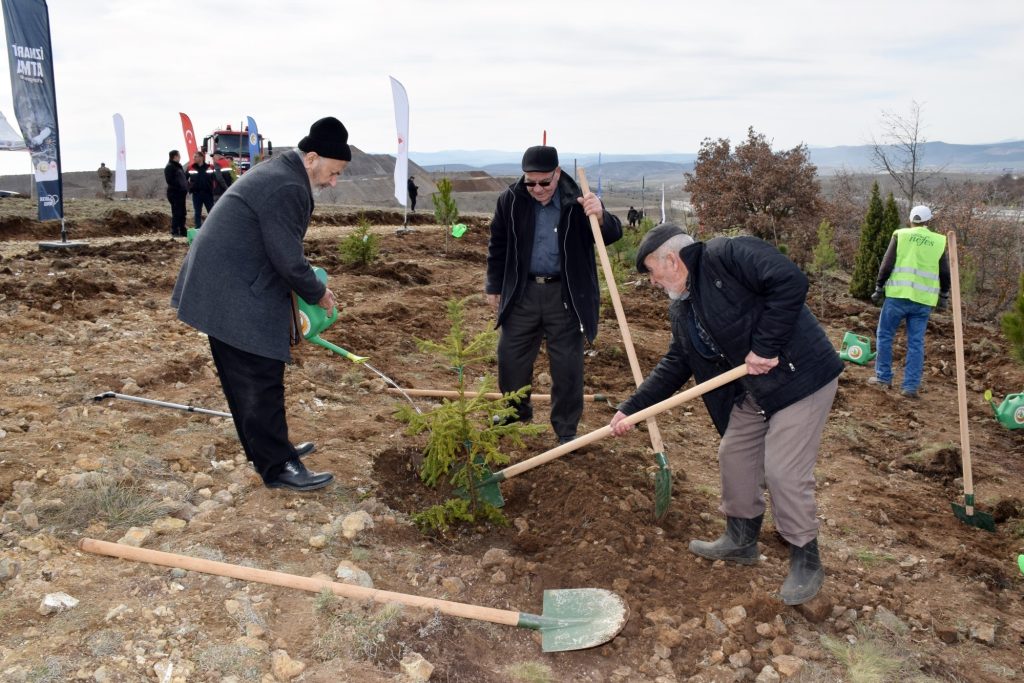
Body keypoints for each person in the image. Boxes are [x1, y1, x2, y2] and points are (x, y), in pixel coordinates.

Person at [609, 224, 843, 605]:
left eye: (652, 272)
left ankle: (806, 557)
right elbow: (677, 362)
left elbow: (789, 281)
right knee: (733, 454)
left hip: (802, 379)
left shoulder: (727, 255)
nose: (652, 282)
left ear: (672, 259)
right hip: (756, 390)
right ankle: (741, 539)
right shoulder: (682, 306)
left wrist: (765, 346)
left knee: (783, 469)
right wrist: (632, 410)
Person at [171, 117, 352, 492]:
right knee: (259, 374)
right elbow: (286, 257)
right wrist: (318, 291)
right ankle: (278, 466)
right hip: (232, 291)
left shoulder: (281, 173)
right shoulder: (289, 186)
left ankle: (270, 450)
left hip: (223, 284)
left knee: (245, 378)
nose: (333, 182)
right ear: (312, 157)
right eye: (333, 173)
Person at [486, 145, 622, 444]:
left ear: (557, 174)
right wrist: (494, 286)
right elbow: (498, 245)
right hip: (522, 292)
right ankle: (515, 412)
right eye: (530, 182)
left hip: (565, 294)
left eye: (544, 182)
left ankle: (565, 430)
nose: (537, 189)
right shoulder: (510, 200)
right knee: (511, 357)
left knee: (567, 366)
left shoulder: (578, 202)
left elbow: (612, 234)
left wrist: (600, 216)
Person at [869, 205, 950, 399]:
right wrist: (944, 295)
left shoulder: (901, 235)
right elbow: (945, 272)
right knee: (916, 343)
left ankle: (883, 378)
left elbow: (887, 264)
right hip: (922, 301)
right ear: (928, 221)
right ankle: (910, 387)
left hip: (897, 296)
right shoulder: (938, 241)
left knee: (885, 335)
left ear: (911, 220)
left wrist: (879, 287)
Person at [187, 150, 224, 228]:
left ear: (201, 157)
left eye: (196, 157)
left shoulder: (210, 167)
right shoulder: (191, 167)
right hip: (196, 194)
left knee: (211, 211)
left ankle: (213, 227)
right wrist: (189, 187)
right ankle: (198, 228)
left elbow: (216, 179)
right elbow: (184, 179)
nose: (194, 158)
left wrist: (214, 189)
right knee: (197, 212)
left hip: (208, 194)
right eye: (194, 157)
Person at [164, 150, 188, 237]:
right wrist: (179, 187)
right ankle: (175, 231)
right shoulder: (170, 167)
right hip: (175, 193)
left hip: (181, 193)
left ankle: (182, 230)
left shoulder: (178, 166)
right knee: (177, 212)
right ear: (175, 156)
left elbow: (183, 178)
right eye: (179, 155)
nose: (180, 157)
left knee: (182, 212)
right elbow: (170, 180)